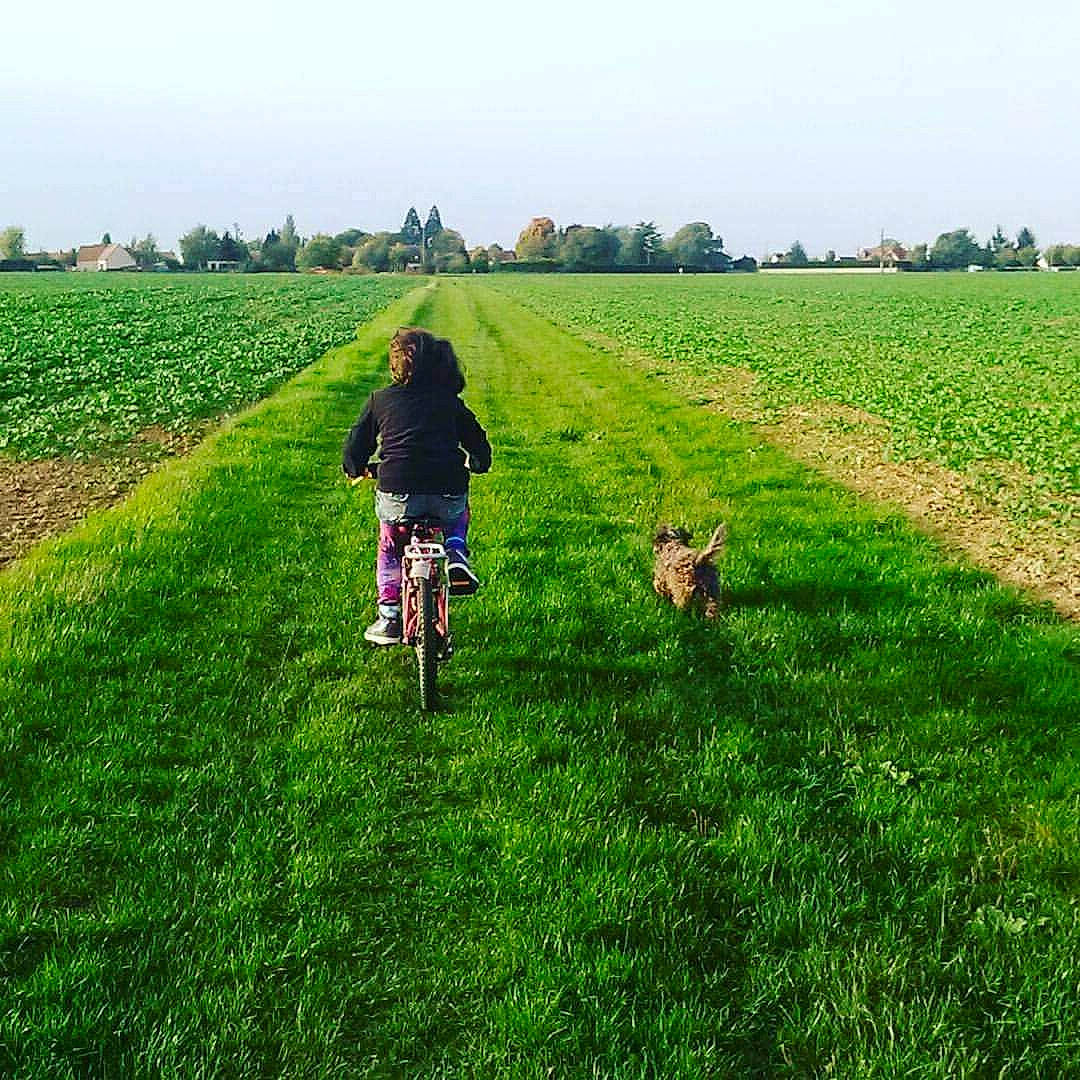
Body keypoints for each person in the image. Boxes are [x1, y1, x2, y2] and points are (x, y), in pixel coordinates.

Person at [343, 327, 491, 645]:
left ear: (395, 366)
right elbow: (478, 445)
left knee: (390, 549)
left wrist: (357, 469)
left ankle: (390, 618)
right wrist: (477, 464)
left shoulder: (379, 400)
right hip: (446, 489)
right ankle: (455, 552)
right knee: (457, 515)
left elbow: (356, 445)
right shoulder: (450, 403)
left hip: (398, 492)